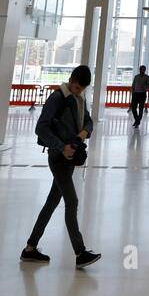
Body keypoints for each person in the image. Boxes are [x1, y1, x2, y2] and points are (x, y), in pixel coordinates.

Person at [22, 65, 101, 268]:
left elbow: (89, 121)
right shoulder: (57, 98)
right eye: (76, 87)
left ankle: (30, 249)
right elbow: (41, 127)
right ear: (71, 80)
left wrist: (83, 133)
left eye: (82, 89)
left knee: (51, 203)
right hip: (58, 158)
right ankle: (80, 252)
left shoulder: (80, 99)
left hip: (70, 158)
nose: (78, 91)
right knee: (72, 202)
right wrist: (61, 147)